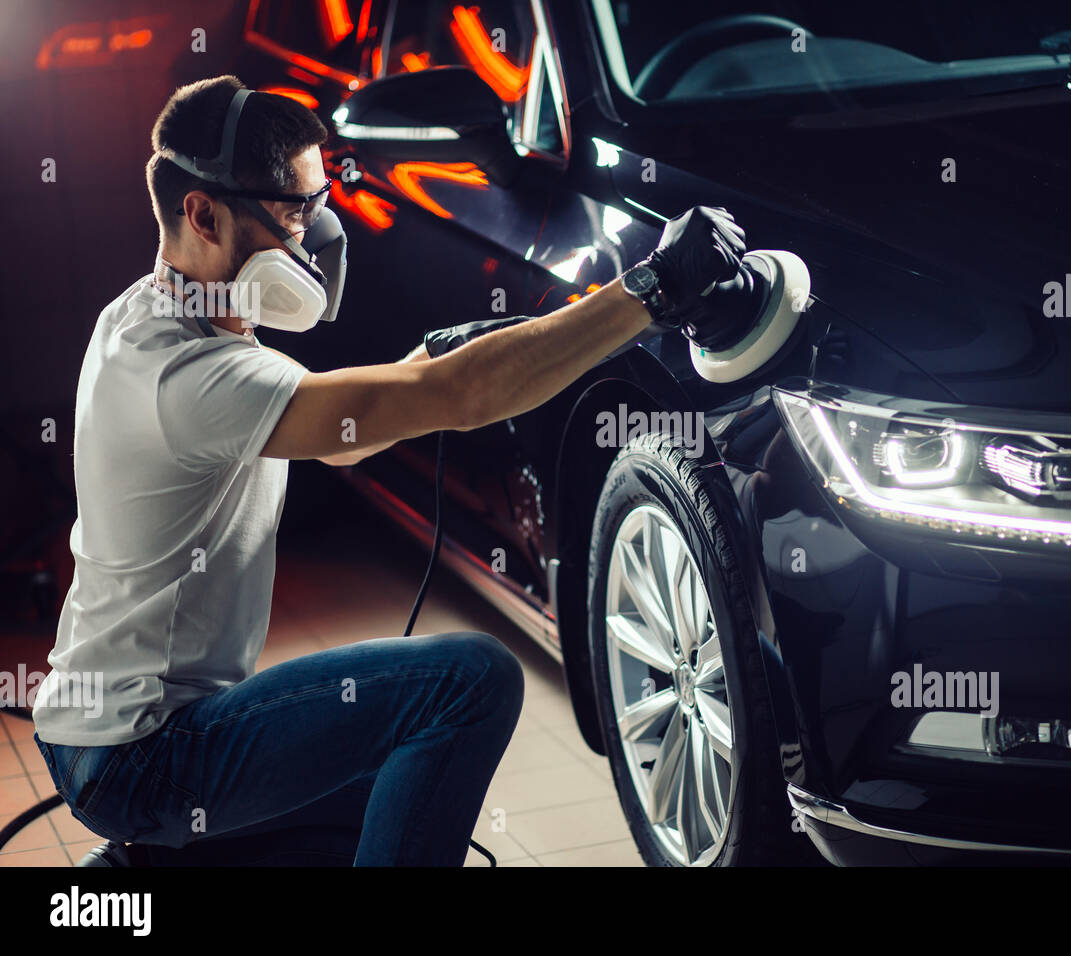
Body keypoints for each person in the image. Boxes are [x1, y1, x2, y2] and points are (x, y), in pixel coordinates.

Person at [28, 75, 748, 866]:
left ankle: (158, 866)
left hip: (113, 733)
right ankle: (161, 844)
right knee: (468, 682)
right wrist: (650, 288)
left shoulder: (153, 314)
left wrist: (429, 358)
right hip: (145, 755)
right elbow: (463, 397)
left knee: (392, 784)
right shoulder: (189, 377)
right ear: (204, 214)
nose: (316, 236)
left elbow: (338, 437)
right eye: (295, 212)